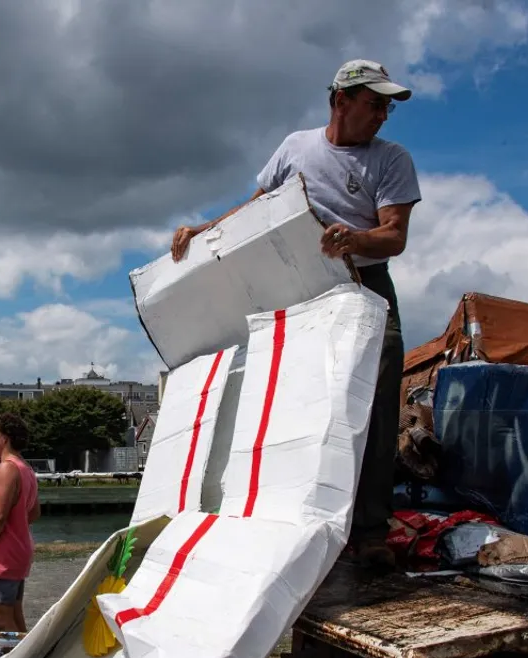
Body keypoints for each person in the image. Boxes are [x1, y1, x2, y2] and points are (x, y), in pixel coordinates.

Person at [170, 59, 419, 571]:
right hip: (300, 288)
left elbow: (394, 235)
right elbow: (258, 209)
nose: (383, 116)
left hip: (365, 282)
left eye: (387, 107)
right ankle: (293, 522)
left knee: (376, 399)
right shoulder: (295, 148)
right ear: (340, 101)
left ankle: (370, 531)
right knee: (297, 402)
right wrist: (204, 231)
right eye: (375, 104)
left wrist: (355, 237)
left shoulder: (391, 160)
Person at [0, 412, 41, 632]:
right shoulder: (26, 469)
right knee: (13, 611)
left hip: (4, 553)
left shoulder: (7, 469)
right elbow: (34, 512)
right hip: (19, 549)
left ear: (5, 438)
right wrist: (18, 526)